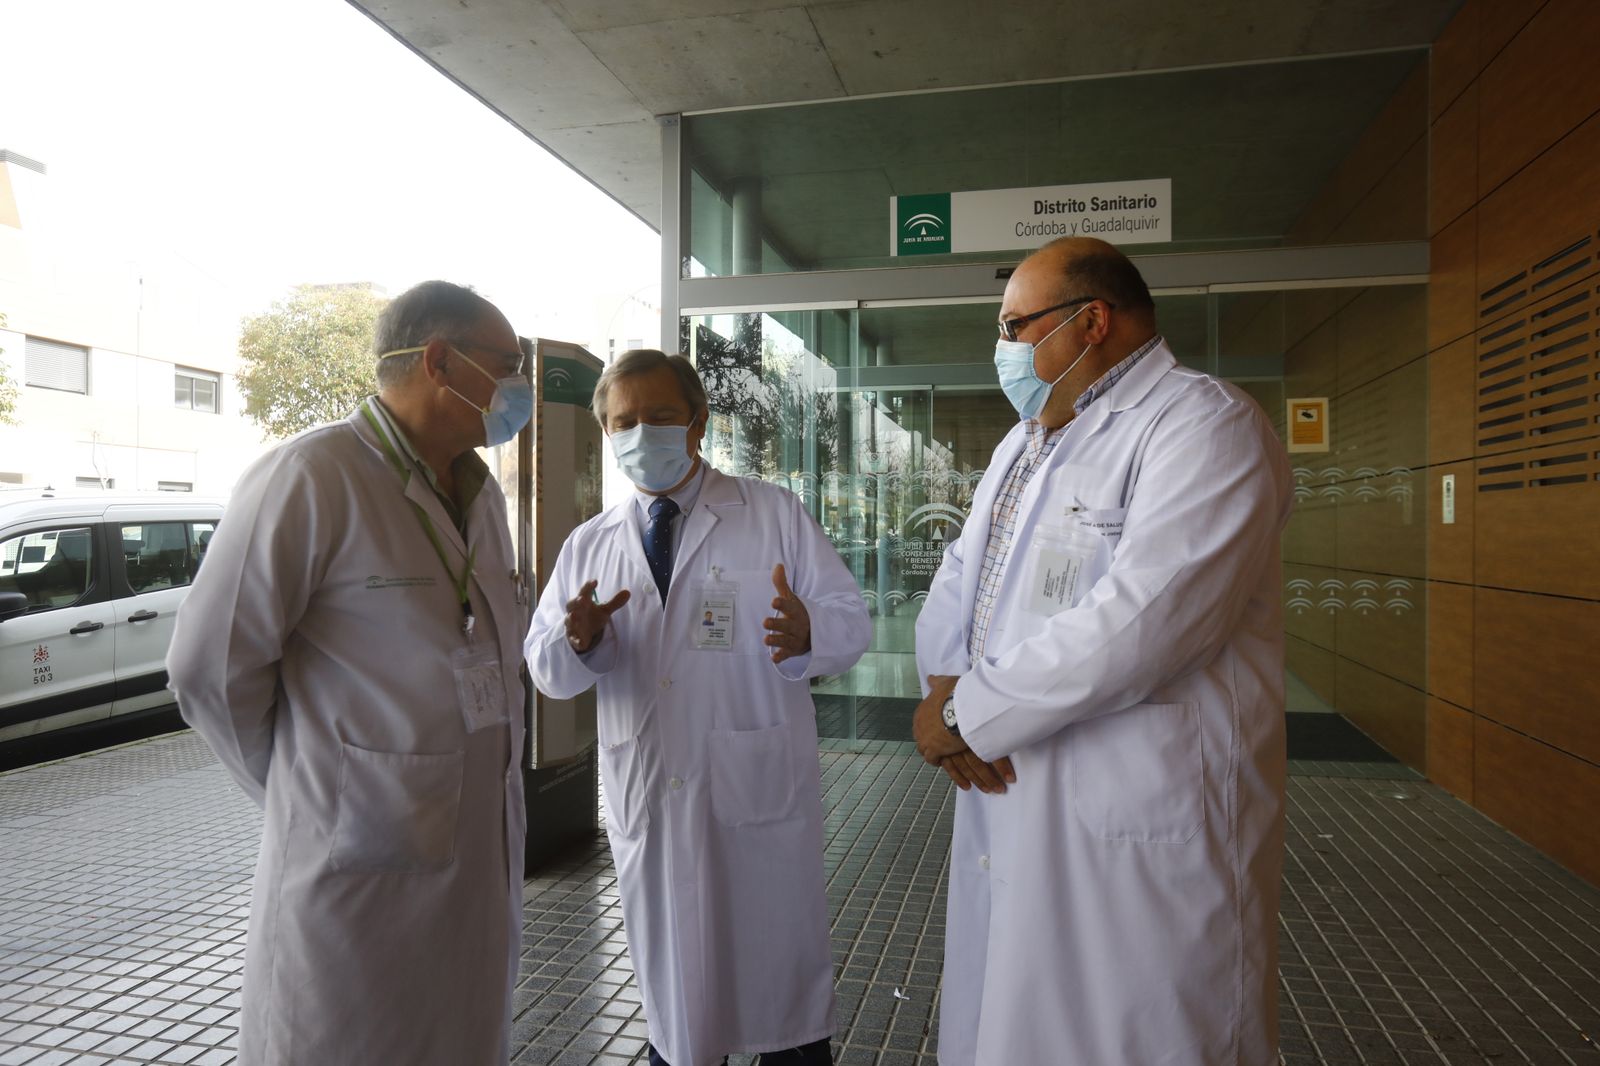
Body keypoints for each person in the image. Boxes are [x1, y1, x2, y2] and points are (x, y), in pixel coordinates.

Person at [912, 238, 1291, 1065]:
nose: (1003, 347)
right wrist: (945, 682)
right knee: (1016, 1025)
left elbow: (1152, 618)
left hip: (1139, 814)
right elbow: (960, 577)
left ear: (1091, 322)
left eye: (1016, 325)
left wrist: (967, 713)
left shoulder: (1207, 423)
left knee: (1143, 1033)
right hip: (1018, 793)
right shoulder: (1027, 441)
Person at [166, 280, 533, 1065]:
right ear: (440, 361)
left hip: (474, 860)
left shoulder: (480, 496)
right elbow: (207, 669)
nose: (518, 387)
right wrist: (309, 787)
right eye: (508, 364)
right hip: (352, 875)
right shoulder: (310, 475)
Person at [525, 349, 870, 1066]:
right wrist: (578, 639)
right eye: (624, 422)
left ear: (698, 422)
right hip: (651, 791)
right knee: (678, 1008)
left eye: (660, 416)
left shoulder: (771, 513)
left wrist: (812, 633)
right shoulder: (590, 544)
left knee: (782, 1001)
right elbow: (547, 671)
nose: (641, 433)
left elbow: (849, 619)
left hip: (755, 792)